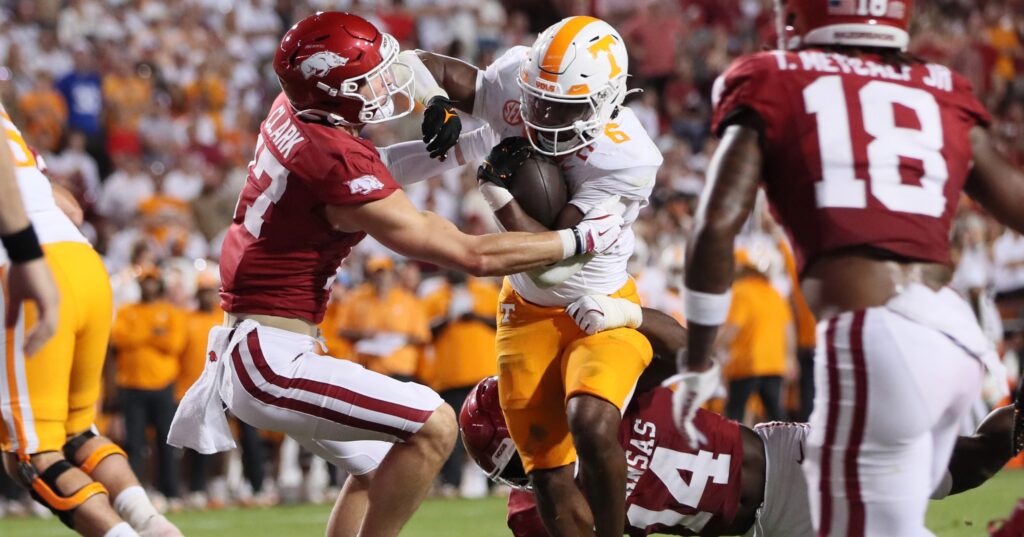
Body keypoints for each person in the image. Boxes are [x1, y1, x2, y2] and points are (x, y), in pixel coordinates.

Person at [168, 12, 624, 537]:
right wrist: (578, 239)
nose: (388, 81)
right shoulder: (333, 160)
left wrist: (465, 147)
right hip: (267, 357)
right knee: (433, 425)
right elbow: (469, 254)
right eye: (372, 76)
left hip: (261, 344)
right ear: (338, 91)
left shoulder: (296, 111)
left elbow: (367, 166)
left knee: (381, 462)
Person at [671, 1, 1024, 535]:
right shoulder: (937, 86)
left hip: (875, 337)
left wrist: (697, 360)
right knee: (941, 479)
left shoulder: (775, 76)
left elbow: (715, 225)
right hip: (953, 333)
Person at [408, 15, 662, 537]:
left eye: (560, 106)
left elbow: (552, 265)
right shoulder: (520, 75)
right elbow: (419, 64)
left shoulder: (627, 157)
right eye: (537, 98)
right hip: (523, 313)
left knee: (592, 425)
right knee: (545, 475)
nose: (541, 114)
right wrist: (432, 99)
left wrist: (497, 194)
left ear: (606, 100)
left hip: (594, 300)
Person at [460, 303, 1024, 537]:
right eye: (520, 471)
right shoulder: (537, 510)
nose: (534, 471)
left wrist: (625, 314)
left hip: (795, 473)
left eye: (526, 454)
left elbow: (687, 351)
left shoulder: (599, 400)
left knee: (971, 464)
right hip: (753, 525)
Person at [0, 103, 179, 537]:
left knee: (31, 453)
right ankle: (150, 524)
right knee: (77, 432)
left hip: (29, 269)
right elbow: (72, 210)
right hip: (83, 263)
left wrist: (24, 252)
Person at [111, 267, 186, 507]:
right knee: (134, 443)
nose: (149, 287)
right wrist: (153, 333)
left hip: (163, 386)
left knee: (166, 441)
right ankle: (134, 494)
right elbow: (118, 338)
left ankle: (170, 493)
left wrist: (139, 335)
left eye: (152, 282)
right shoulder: (127, 310)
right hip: (132, 386)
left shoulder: (171, 312)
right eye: (145, 282)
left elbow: (173, 344)